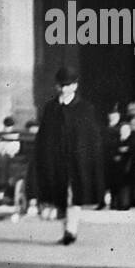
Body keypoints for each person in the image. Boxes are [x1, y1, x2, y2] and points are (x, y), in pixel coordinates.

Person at [33, 65, 104, 245]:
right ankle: (67, 229)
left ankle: (70, 231)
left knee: (75, 195)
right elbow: (44, 136)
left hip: (77, 161)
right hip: (56, 161)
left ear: (75, 86)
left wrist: (88, 159)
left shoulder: (85, 108)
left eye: (68, 85)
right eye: (61, 85)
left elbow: (91, 137)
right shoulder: (50, 108)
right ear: (57, 87)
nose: (64, 89)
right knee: (61, 196)